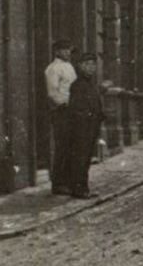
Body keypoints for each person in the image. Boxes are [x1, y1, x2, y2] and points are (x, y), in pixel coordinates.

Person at [67, 52, 104, 199]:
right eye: (87, 65)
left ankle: (84, 187)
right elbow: (75, 109)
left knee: (86, 158)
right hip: (81, 128)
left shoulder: (91, 84)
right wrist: (87, 117)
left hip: (91, 127)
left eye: (93, 65)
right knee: (80, 158)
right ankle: (78, 189)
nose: (91, 68)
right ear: (80, 66)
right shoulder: (77, 85)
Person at [44, 39, 77, 195]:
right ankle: (58, 183)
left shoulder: (69, 67)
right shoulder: (53, 69)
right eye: (64, 50)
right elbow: (52, 93)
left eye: (69, 50)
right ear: (57, 51)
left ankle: (69, 181)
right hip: (61, 111)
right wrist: (64, 106)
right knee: (62, 147)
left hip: (72, 110)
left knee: (71, 146)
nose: (68, 52)